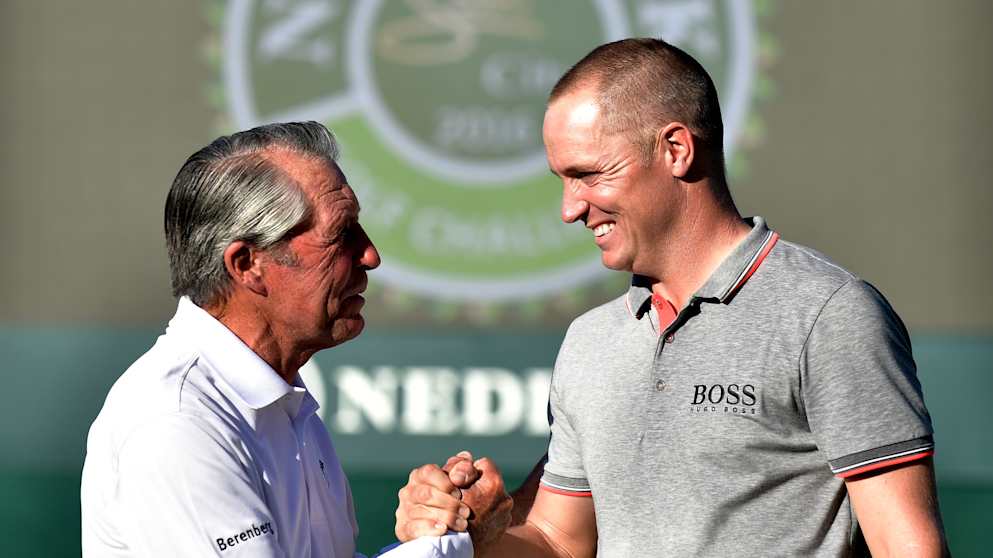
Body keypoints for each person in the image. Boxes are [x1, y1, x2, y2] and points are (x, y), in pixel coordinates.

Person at [394, 39, 949, 557]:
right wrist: (477, 537)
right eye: (561, 179)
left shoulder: (828, 314)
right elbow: (560, 541)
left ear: (676, 149)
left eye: (588, 174)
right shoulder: (590, 340)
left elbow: (907, 546)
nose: (569, 208)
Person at [80, 122, 472, 557]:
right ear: (247, 264)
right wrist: (454, 546)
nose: (370, 255)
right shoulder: (177, 421)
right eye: (341, 234)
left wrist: (439, 536)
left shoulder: (281, 404)